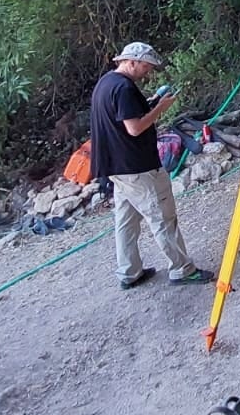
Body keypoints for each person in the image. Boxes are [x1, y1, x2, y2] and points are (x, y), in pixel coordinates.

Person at [90, 41, 210, 290]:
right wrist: (159, 108)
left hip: (116, 167)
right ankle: (181, 268)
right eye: (146, 66)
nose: (148, 72)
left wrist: (151, 102)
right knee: (162, 216)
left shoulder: (107, 83)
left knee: (126, 220)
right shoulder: (123, 88)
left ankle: (129, 271)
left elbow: (124, 115)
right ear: (131, 61)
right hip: (137, 167)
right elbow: (134, 128)